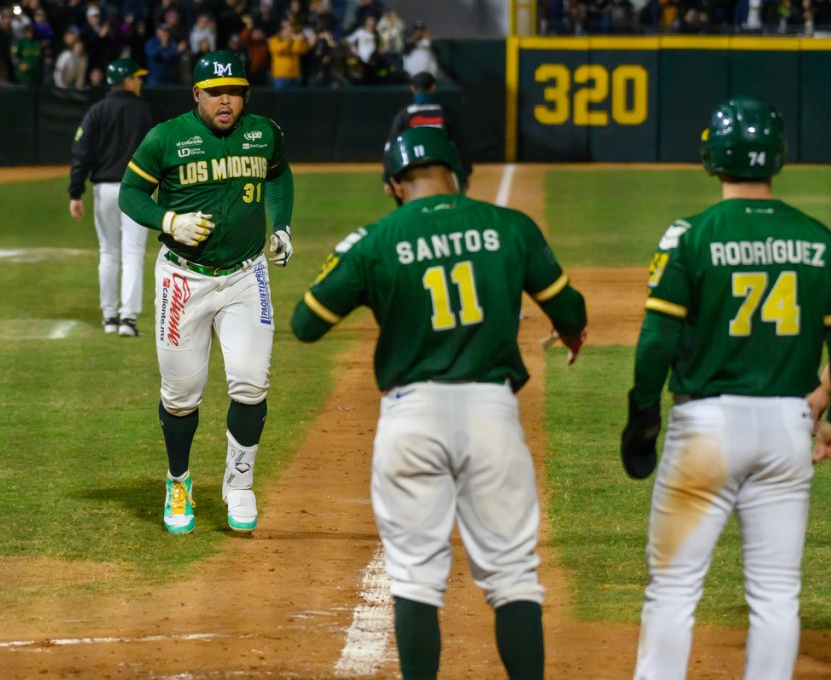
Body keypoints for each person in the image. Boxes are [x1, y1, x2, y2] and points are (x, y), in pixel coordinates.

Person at [291, 126, 588, 680]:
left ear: (392, 186)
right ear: (457, 172)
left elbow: (306, 325)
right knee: (513, 576)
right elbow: (569, 308)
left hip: (411, 416)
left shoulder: (375, 238)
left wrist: (361, 267)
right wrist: (571, 333)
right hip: (490, 415)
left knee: (413, 578)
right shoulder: (509, 226)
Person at [620, 95, 831, 680]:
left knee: (673, 590)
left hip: (705, 433)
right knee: (775, 596)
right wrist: (827, 410)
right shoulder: (818, 238)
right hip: (789, 431)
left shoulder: (690, 235)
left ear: (713, 155)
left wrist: (642, 414)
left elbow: (657, 342)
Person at [119, 50, 295, 535]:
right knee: (180, 397)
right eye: (216, 92)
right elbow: (129, 194)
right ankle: (179, 481)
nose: (226, 101)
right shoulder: (166, 137)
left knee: (251, 382)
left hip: (245, 274)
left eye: (235, 91)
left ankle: (239, 483)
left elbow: (278, 175)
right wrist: (169, 219)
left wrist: (281, 227)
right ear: (196, 93)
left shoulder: (264, 133)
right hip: (182, 277)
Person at [68, 58, 153, 336]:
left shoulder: (96, 111)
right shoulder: (144, 112)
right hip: (137, 192)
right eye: (137, 77)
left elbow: (82, 153)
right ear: (127, 80)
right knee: (133, 254)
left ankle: (109, 317)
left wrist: (75, 192)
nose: (140, 82)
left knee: (108, 253)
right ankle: (127, 319)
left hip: (104, 190)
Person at [382, 70, 473, 198]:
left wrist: (387, 179)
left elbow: (391, 148)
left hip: (413, 177)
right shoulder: (444, 112)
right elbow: (459, 146)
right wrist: (464, 174)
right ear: (433, 87)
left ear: (412, 89)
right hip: (443, 174)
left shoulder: (404, 115)